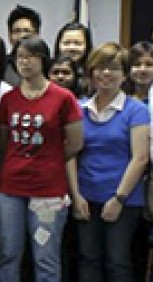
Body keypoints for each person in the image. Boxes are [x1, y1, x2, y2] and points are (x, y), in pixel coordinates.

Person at [0, 36, 83, 282]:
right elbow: (3, 142)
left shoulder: (64, 98)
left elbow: (75, 143)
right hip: (10, 187)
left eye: (30, 57)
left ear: (42, 60)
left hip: (48, 190)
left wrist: (49, 159)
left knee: (46, 257)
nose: (24, 62)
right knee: (7, 254)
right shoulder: (8, 98)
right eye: (19, 57)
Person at [68, 42, 150, 282]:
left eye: (113, 68)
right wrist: (76, 196)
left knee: (118, 261)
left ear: (124, 74)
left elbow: (141, 157)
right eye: (100, 67)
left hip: (123, 199)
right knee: (87, 258)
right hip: (85, 196)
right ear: (91, 72)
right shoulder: (79, 107)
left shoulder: (136, 110)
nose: (106, 73)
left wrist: (118, 199)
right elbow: (71, 153)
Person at [3, 5, 42, 86]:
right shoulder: (2, 66)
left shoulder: (46, 65)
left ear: (37, 35)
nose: (21, 36)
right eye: (16, 31)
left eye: (27, 31)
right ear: (9, 36)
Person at [54, 22, 93, 95]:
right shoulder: (48, 72)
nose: (72, 48)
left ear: (87, 46)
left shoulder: (94, 75)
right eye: (66, 43)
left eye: (77, 43)